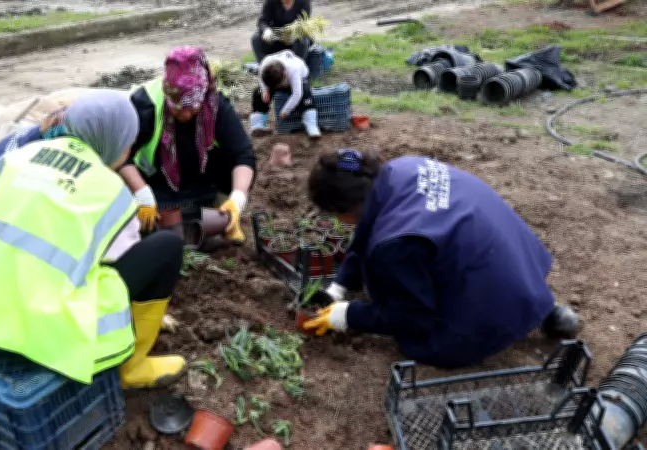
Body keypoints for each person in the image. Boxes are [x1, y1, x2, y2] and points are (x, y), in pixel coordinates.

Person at [0, 90, 186, 388]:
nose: (129, 150)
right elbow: (120, 258)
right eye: (128, 142)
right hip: (46, 331)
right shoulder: (110, 192)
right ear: (113, 142)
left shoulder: (20, 157)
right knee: (166, 247)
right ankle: (132, 367)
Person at [303, 150, 581, 368]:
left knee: (423, 343)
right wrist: (339, 285)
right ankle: (544, 309)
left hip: (492, 298)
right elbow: (369, 228)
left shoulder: (393, 244)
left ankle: (506, 320)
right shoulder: (403, 168)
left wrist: (348, 315)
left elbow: (412, 318)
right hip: (519, 264)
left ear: (345, 209)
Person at [119, 46, 256, 241]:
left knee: (237, 164)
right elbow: (119, 155)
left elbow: (243, 154)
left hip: (204, 178)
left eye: (191, 108)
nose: (184, 115)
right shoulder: (145, 104)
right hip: (157, 182)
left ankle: (222, 212)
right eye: (176, 108)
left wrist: (237, 199)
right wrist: (142, 193)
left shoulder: (216, 104)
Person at [249, 50, 320, 138]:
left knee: (306, 93)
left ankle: (311, 125)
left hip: (300, 79)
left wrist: (285, 111)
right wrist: (264, 90)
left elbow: (297, 94)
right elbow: (261, 76)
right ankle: (258, 124)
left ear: (285, 74)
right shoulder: (265, 63)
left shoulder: (294, 68)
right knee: (258, 93)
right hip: (275, 80)